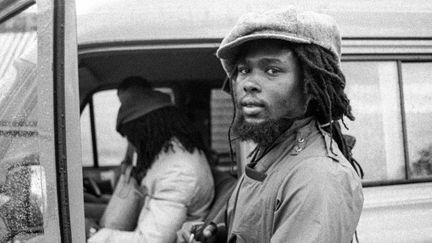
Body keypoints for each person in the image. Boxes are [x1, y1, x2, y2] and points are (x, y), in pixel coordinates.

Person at [177, 7, 364, 243]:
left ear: (310, 86)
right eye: (244, 70)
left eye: (272, 70)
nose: (248, 83)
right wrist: (218, 236)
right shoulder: (273, 149)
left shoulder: (318, 176)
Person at [89, 78, 215, 243]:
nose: (132, 145)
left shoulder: (178, 173)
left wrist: (94, 236)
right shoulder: (173, 153)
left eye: (132, 137)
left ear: (145, 132)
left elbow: (150, 241)